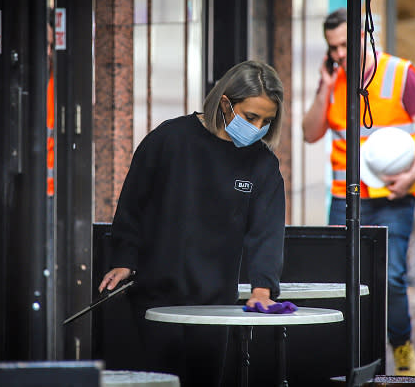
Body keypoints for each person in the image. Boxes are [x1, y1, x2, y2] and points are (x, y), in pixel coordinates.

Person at [98, 60, 286, 386]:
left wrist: (262, 289)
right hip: (155, 298)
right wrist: (124, 259)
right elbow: (132, 204)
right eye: (251, 117)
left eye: (266, 121)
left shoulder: (263, 164)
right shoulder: (169, 140)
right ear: (226, 103)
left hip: (215, 304)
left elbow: (266, 232)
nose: (257, 127)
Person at [303, 8, 415, 376]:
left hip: (394, 198)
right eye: (333, 47)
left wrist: (411, 177)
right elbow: (310, 132)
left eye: (345, 45)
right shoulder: (333, 77)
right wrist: (325, 89)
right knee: (340, 279)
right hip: (344, 198)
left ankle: (402, 347)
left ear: (365, 36)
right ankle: (350, 357)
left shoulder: (399, 73)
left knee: (392, 278)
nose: (339, 54)